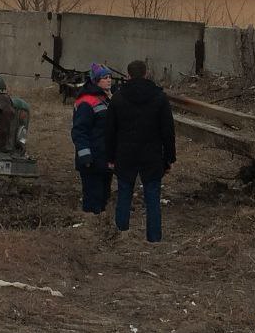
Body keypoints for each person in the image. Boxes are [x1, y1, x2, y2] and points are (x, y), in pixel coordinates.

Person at [105, 59, 176, 243]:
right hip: (151, 155)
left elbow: (110, 131)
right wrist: (169, 158)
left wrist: (110, 157)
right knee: (152, 198)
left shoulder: (118, 98)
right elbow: (168, 131)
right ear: (146, 74)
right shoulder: (159, 98)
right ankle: (154, 238)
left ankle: (121, 234)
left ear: (128, 76)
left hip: (125, 153)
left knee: (124, 194)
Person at [70, 63, 114, 215]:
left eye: (110, 77)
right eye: (104, 78)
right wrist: (85, 156)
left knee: (104, 196)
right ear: (96, 80)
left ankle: (100, 224)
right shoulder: (87, 102)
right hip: (92, 160)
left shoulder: (107, 98)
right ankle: (90, 224)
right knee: (93, 198)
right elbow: (79, 131)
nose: (109, 80)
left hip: (106, 157)